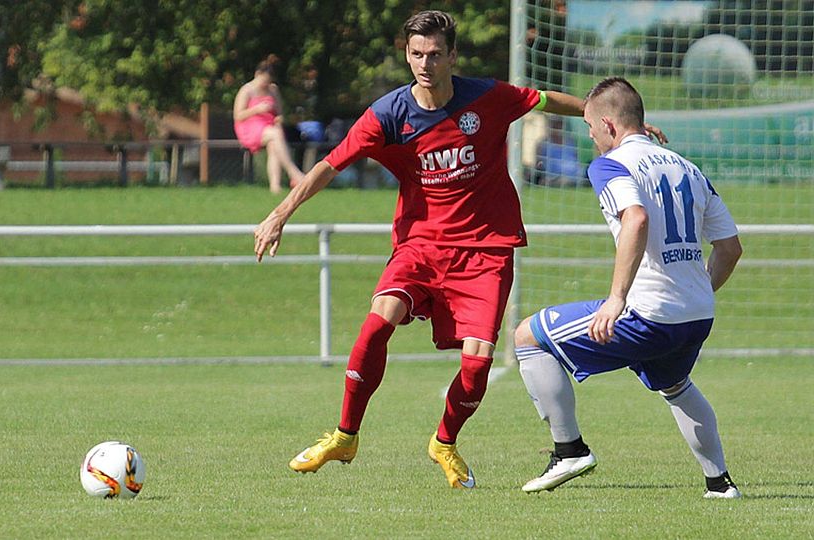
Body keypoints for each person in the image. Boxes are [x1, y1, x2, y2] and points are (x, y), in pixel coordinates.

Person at [253, 10, 598, 489]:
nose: (425, 63)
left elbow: (544, 99)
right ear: (407, 55)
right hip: (421, 244)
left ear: (452, 56)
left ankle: (444, 441)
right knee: (377, 324)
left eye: (435, 54)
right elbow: (330, 165)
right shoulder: (390, 114)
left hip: (485, 249)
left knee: (476, 368)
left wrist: (607, 118)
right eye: (417, 54)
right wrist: (279, 214)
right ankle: (344, 435)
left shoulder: (487, 97)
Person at [513, 77, 744, 499]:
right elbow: (730, 248)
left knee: (528, 336)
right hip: (696, 315)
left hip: (647, 314)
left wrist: (616, 300)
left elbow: (636, 218)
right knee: (676, 386)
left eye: (590, 127)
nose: (589, 137)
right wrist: (698, 290)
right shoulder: (688, 168)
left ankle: (569, 451)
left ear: (609, 125)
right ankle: (720, 484)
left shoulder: (608, 165)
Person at [233, 58, 305, 194]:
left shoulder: (273, 90)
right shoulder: (246, 90)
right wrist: (257, 109)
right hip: (249, 127)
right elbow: (238, 116)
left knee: (274, 143)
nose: (265, 85)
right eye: (263, 81)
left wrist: (278, 121)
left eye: (268, 81)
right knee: (276, 135)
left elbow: (279, 113)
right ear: (257, 75)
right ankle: (294, 173)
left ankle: (275, 186)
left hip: (270, 127)